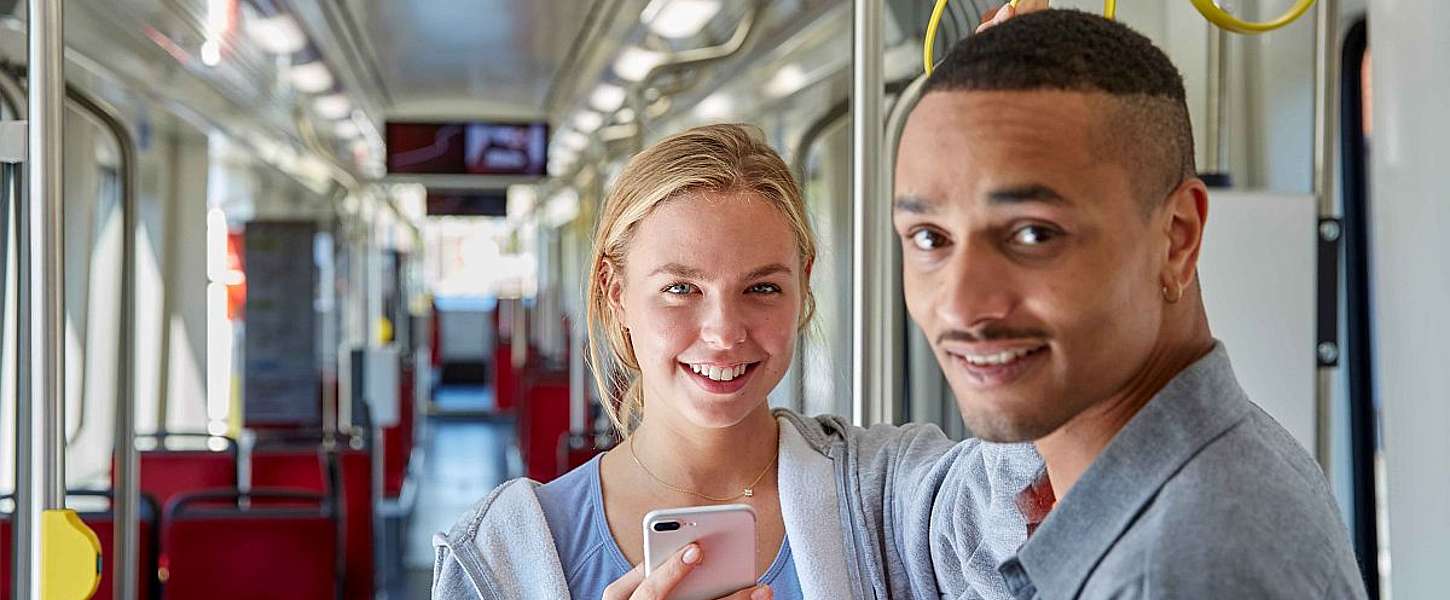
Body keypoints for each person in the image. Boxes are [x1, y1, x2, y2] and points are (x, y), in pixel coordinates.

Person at [432, 123, 1042, 600]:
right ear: (616, 295)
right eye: (680, 289)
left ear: (803, 286)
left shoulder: (893, 496)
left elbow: (1021, 502)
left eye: (761, 289)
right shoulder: (502, 557)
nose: (724, 333)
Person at [895, 9, 1368, 598]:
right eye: (929, 239)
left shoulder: (1184, 566)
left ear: (1176, 238)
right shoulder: (1171, 484)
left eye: (1033, 234)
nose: (961, 306)